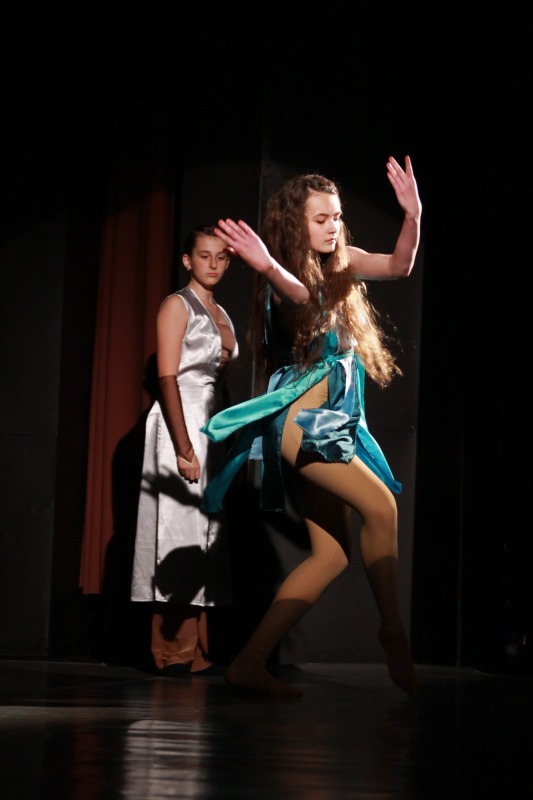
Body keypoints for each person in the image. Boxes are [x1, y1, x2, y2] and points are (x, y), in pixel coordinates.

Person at [200, 156, 422, 697]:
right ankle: (392, 630)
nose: (333, 226)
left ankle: (249, 661)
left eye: (337, 217)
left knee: (331, 555)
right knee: (382, 508)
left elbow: (399, 266)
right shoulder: (283, 277)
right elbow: (299, 297)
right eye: (321, 219)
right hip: (302, 425)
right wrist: (267, 265)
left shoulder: (343, 263)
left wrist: (413, 215)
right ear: (297, 225)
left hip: (332, 423)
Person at [131, 224, 239, 677]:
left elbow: (219, 381)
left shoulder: (222, 312)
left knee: (207, 534)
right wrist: (182, 446)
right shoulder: (177, 305)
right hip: (181, 421)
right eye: (204, 255)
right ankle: (172, 649)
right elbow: (167, 377)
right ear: (187, 260)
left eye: (221, 256)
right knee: (178, 530)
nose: (213, 264)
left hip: (211, 425)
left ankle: (198, 651)